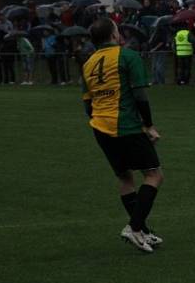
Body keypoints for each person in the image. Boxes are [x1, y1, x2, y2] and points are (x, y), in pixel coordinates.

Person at [81, 18, 164, 253]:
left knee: (125, 178)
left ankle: (143, 232)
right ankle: (134, 227)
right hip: (125, 126)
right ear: (114, 35)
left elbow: (88, 104)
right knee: (154, 175)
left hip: (99, 126)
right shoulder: (127, 56)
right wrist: (149, 125)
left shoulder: (88, 64)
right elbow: (139, 96)